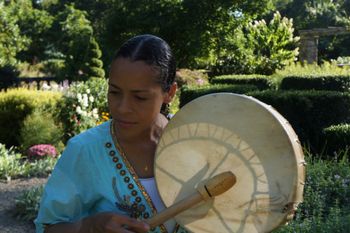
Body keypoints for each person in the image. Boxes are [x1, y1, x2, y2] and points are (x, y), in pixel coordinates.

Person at [35, 34, 188, 233]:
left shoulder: (197, 142)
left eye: (139, 97)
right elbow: (47, 228)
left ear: (170, 93)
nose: (123, 108)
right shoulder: (85, 150)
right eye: (114, 92)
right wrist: (87, 226)